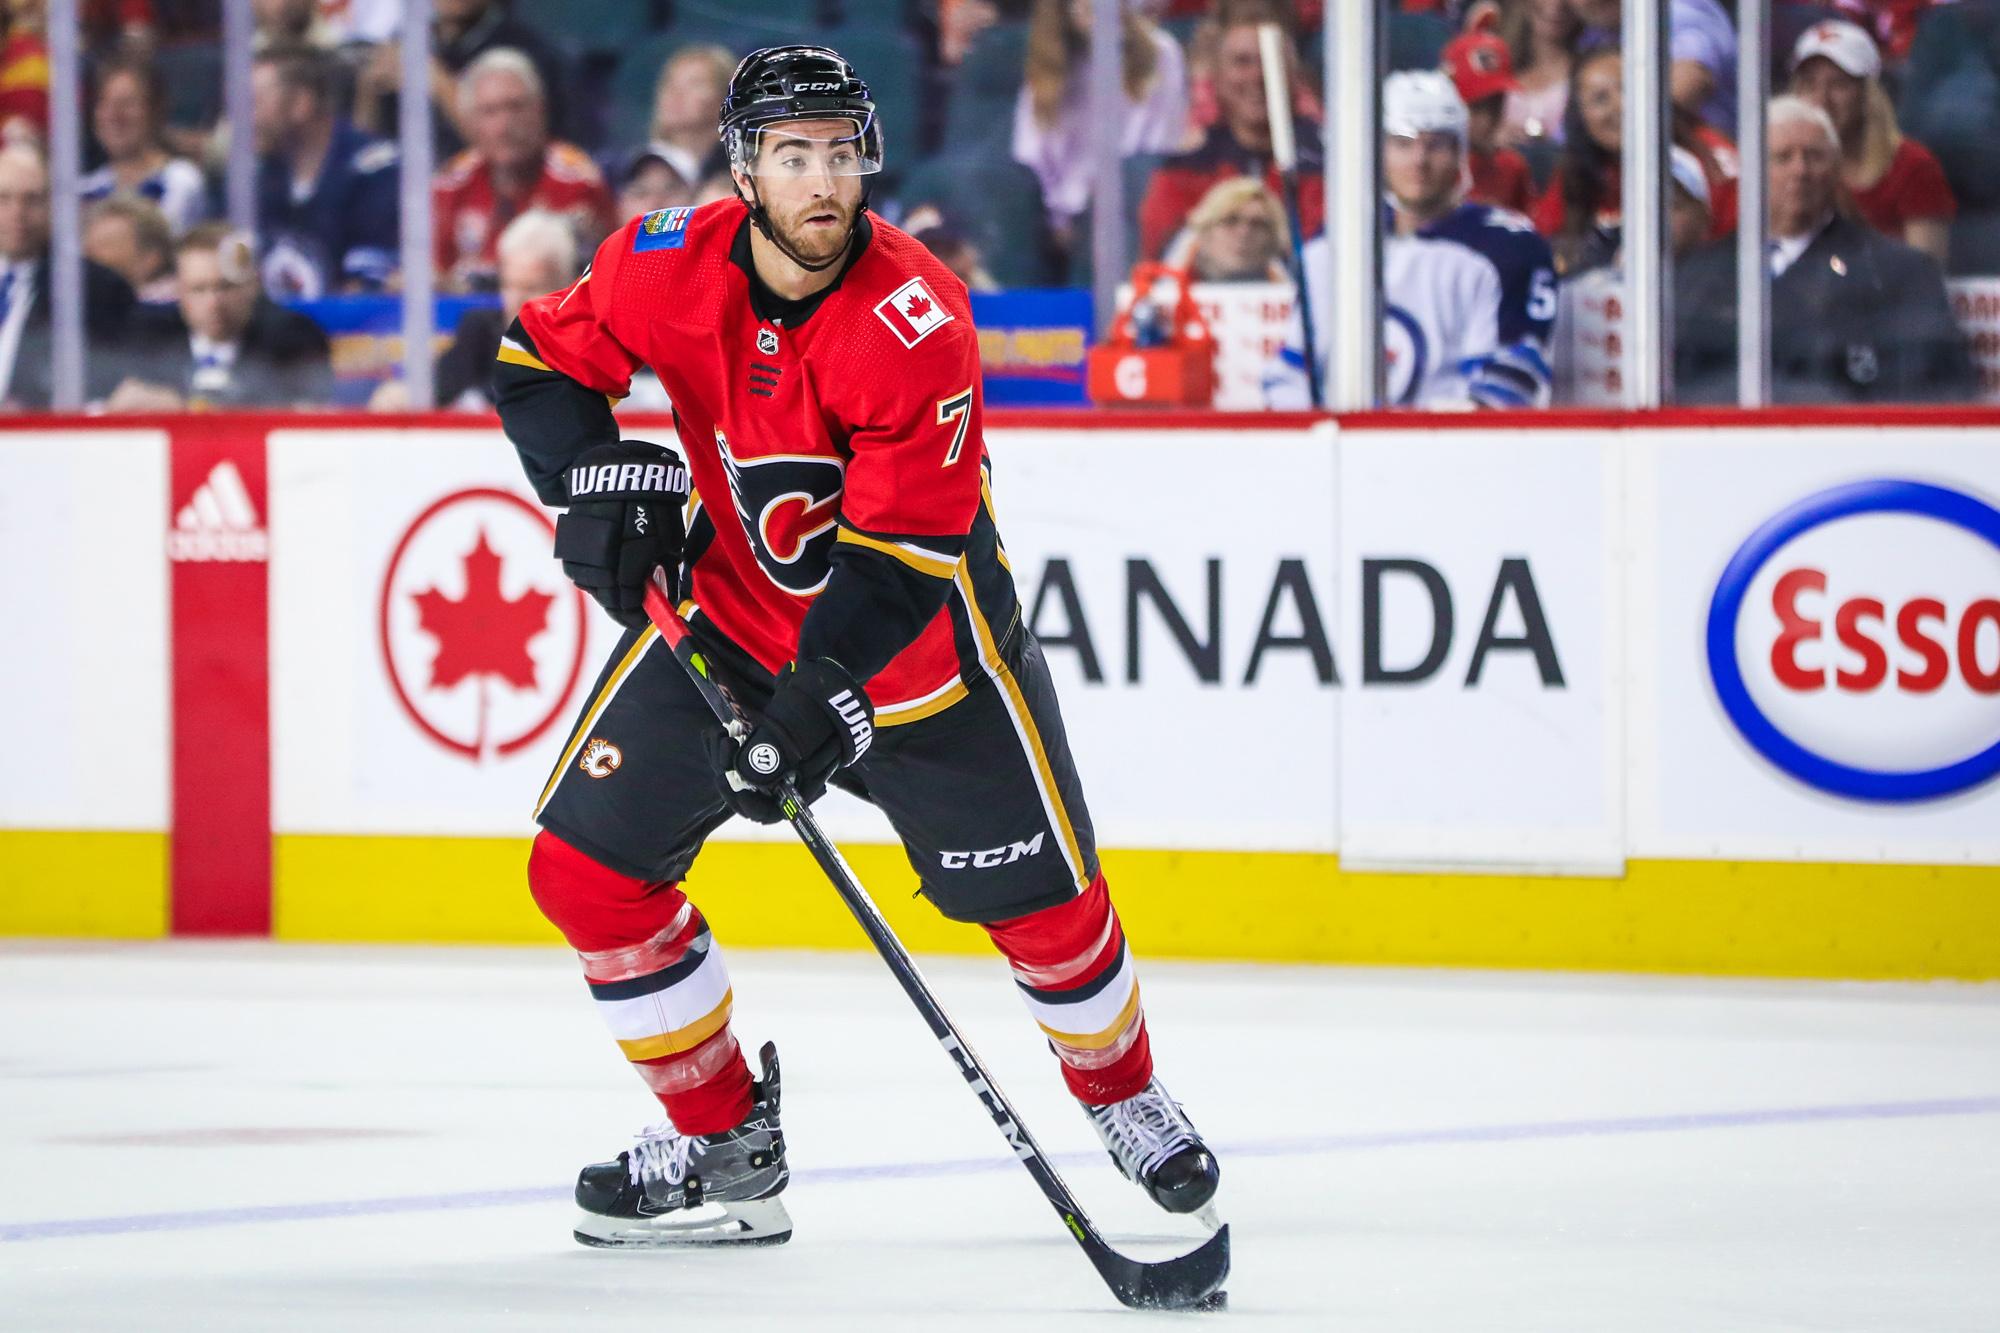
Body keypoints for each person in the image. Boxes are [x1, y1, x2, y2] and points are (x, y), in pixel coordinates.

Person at [492, 45, 1220, 1247]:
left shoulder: (913, 314)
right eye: (792, 155)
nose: (823, 180)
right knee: (584, 872)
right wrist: (593, 491)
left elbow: (899, 556)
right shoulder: (661, 262)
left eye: (839, 150)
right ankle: (728, 1141)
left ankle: (1124, 1096)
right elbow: (538, 361)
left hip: (925, 659)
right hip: (729, 629)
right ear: (744, 169)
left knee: (1047, 910)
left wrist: (819, 701)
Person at [1267, 71, 1555, 410]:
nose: (1419, 161)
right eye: (1403, 143)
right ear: (1378, 151)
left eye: (1435, 144)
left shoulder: (1509, 247)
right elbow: (1292, 373)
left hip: (1453, 452)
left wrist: (1424, 439)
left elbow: (1514, 379)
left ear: (1460, 152)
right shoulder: (1336, 245)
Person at [1676, 97, 1972, 404]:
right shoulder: (1698, 277)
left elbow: (1933, 391)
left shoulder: (1900, 275)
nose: (1800, 170)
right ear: (1751, 172)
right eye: (1782, 158)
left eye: (1815, 156)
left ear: (1837, 170)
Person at [1137, 14, 1322, 260]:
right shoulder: (1184, 171)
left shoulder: (1326, 165)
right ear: (1217, 76)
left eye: (1272, 62)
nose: (1258, 76)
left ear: (1294, 75)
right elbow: (1163, 258)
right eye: (1242, 62)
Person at [433, 47, 613, 291]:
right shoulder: (450, 186)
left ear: (540, 110)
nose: (505, 125)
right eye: (490, 112)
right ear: (470, 123)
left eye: (515, 107)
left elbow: (602, 280)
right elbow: (432, 275)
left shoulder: (577, 182)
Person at [1011, 0, 1188, 248]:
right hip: (1056, 213)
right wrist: (1059, 217)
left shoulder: (1161, 52)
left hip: (1126, 202)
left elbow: (1160, 144)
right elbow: (1030, 152)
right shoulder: (1047, 62)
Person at [105, 221, 332, 409]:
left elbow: (305, 411)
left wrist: (186, 405)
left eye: (226, 287)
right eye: (199, 289)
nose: (214, 303)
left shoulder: (294, 336)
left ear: (252, 286)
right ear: (179, 292)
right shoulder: (150, 338)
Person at [373, 208, 579, 411]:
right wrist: (402, 395)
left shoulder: (587, 345)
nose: (517, 300)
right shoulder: (480, 332)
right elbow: (435, 389)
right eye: (509, 285)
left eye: (531, 288)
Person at [1788, 19, 1955, 265]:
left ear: (1868, 94)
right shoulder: (1784, 166)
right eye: (1809, 84)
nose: (1821, 99)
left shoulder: (1912, 166)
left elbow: (1926, 276)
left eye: (1838, 84)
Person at [252, 44, 400, 298]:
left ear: (301, 103)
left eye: (254, 102)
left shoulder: (374, 169)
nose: (244, 118)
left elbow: (372, 282)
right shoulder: (260, 175)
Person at [0, 144, 134, 408]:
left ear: (54, 204)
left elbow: (108, 379)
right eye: (3, 199)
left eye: (31, 199)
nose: (17, 213)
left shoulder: (94, 288)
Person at [80, 57, 206, 236]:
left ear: (155, 110)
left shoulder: (180, 182)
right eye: (104, 103)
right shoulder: (87, 189)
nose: (114, 115)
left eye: (127, 104)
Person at [1443, 21, 1534, 214]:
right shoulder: (1425, 164)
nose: (1487, 121)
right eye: (1474, 107)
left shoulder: (1512, 167)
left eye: (1495, 105)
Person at [645, 44, 735, 196]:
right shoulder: (637, 170)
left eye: (695, 83)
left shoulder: (741, 170)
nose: (676, 93)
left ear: (725, 98)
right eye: (670, 83)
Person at [1169, 175, 1289, 282]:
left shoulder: (1294, 298)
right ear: (1204, 231)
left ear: (1273, 239)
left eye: (1257, 224)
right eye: (1230, 220)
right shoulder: (1163, 296)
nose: (1244, 232)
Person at [82, 195, 175, 303]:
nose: (89, 252)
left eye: (107, 243)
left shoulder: (176, 309)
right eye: (87, 244)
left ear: (150, 258)